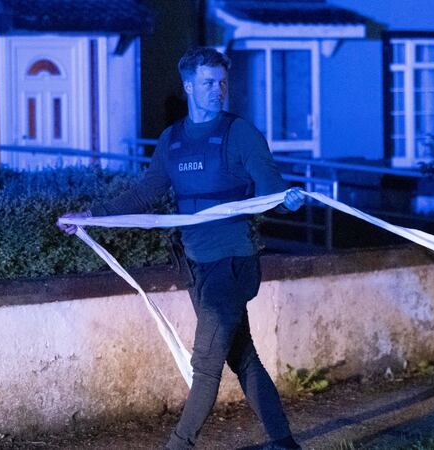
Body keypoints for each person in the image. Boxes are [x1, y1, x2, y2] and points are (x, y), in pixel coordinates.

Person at [57, 47, 304, 450]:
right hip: (196, 267)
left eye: (222, 82)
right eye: (208, 83)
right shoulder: (171, 141)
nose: (217, 91)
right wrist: (90, 215)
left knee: (205, 364)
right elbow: (144, 195)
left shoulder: (240, 133)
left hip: (233, 262)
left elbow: (271, 189)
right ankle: (284, 442)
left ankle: (179, 444)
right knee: (243, 358)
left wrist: (286, 199)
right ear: (189, 86)